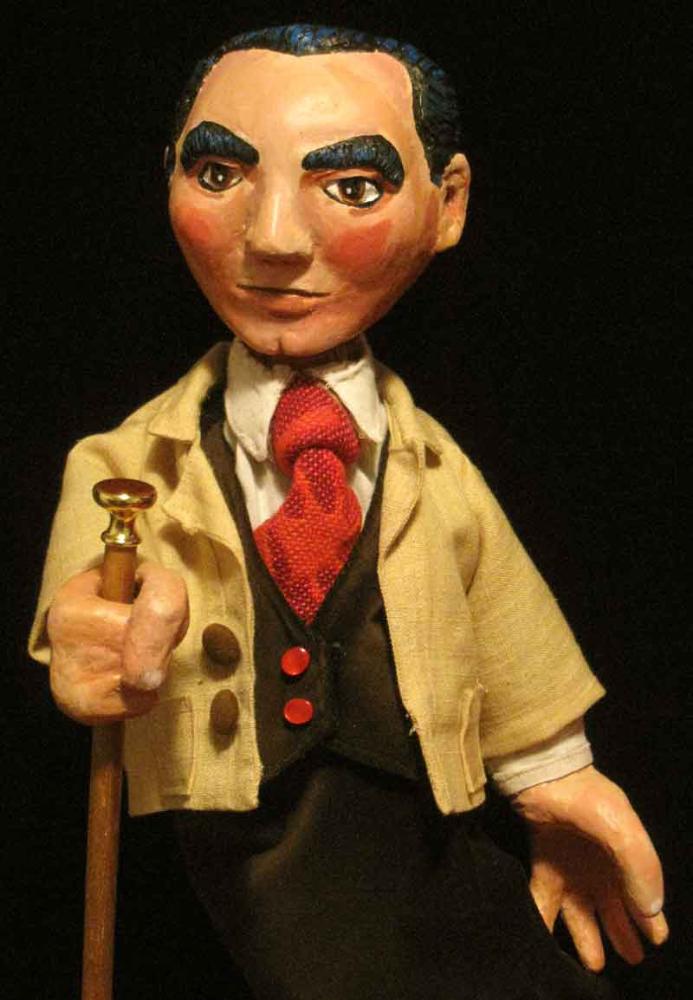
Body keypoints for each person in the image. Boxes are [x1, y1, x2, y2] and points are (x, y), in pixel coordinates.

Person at [29, 24, 667, 1000]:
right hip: (245, 843)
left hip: (425, 833)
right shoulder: (124, 466)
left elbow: (504, 614)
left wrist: (554, 775)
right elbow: (83, 603)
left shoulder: (433, 465)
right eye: (218, 174)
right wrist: (89, 640)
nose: (274, 238)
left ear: (447, 205)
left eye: (354, 187)